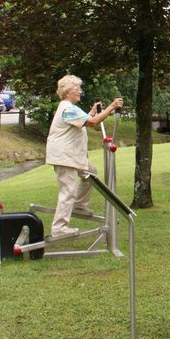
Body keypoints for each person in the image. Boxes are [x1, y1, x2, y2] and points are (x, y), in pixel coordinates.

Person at [46, 74, 123, 237]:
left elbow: (87, 120)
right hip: (64, 156)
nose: (80, 91)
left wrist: (93, 111)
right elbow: (93, 123)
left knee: (91, 172)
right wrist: (111, 107)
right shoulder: (68, 108)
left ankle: (79, 204)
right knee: (68, 190)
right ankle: (59, 228)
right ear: (67, 92)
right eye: (77, 89)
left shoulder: (70, 108)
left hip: (71, 155)